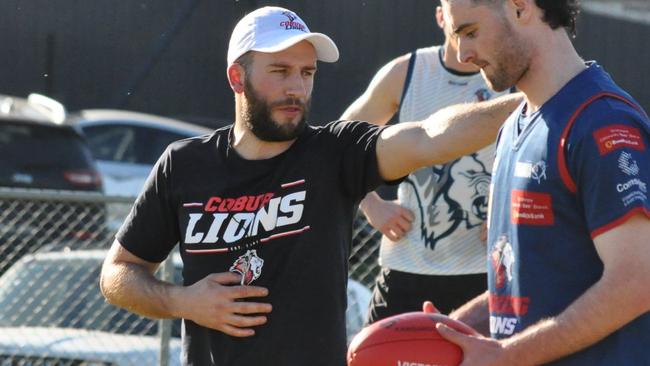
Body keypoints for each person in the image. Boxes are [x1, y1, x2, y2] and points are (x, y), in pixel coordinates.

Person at [99, 6, 521, 366]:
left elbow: (430, 137)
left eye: (306, 72)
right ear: (236, 77)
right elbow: (118, 273)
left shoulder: (333, 154)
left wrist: (537, 97)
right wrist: (182, 302)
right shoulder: (184, 165)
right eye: (280, 72)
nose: (296, 88)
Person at [431, 0, 650, 365]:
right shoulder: (513, 128)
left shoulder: (603, 123)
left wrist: (507, 356)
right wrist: (452, 329)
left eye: (469, 32)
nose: (461, 53)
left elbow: (637, 282)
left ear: (520, 8)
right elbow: (529, 285)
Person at [341, 0, 510, 322]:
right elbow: (341, 143)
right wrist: (370, 204)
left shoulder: (511, 74)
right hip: (408, 265)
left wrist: (512, 209)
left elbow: (549, 157)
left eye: (475, 26)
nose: (466, 41)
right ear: (440, 16)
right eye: (459, 25)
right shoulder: (406, 73)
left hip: (486, 268)